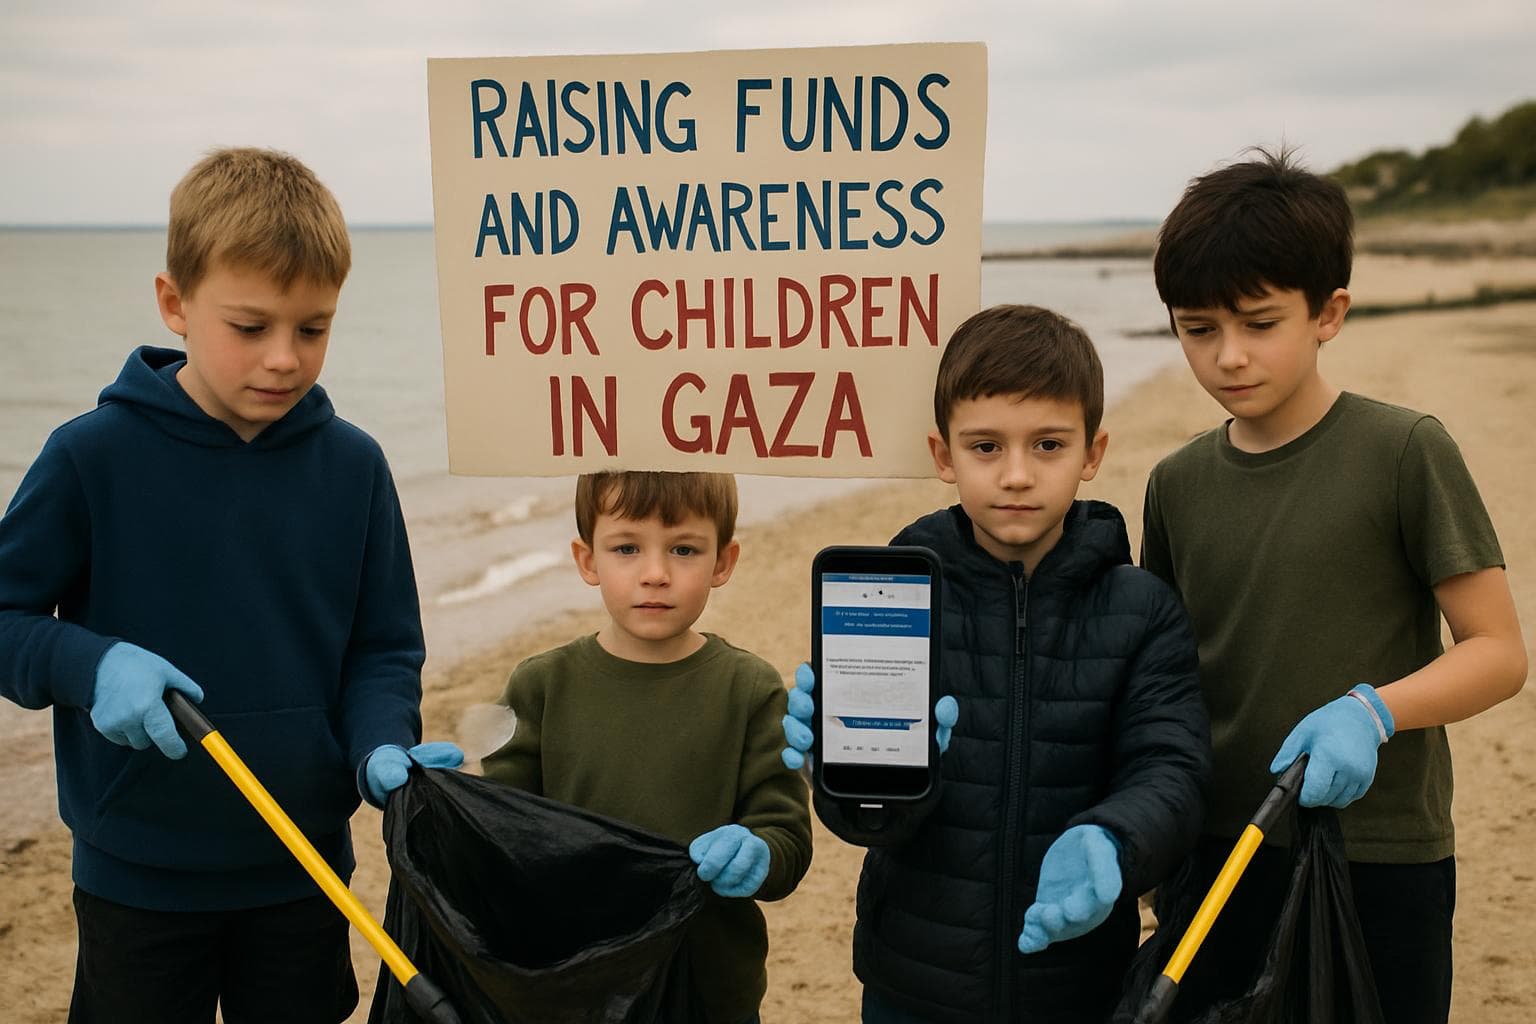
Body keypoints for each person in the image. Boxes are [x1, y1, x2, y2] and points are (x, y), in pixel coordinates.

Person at [0, 147, 462, 1024]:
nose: (285, 359)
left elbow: (383, 648)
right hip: (136, 874)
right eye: (250, 328)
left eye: (313, 328)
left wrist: (378, 747)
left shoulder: (355, 467)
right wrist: (89, 664)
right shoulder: (90, 457)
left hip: (304, 872)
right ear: (175, 302)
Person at [1141, 148, 1528, 1024]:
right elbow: (1162, 676)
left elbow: (1500, 653)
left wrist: (1374, 710)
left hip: (1380, 852)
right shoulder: (1175, 482)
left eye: (1258, 322)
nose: (1228, 357)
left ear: (1330, 313)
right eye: (1198, 330)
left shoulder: (1403, 450)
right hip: (1215, 848)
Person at [784, 304, 1211, 1023]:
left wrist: (1114, 838)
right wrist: (844, 773)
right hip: (913, 985)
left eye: (1048, 445)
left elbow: (1172, 768)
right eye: (986, 447)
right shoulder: (897, 605)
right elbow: (867, 825)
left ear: (1093, 452)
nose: (1016, 475)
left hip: (1077, 982)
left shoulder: (1142, 608)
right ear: (943, 454)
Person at [481, 469, 813, 1024]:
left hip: (708, 990)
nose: (655, 574)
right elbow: (502, 830)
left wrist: (758, 856)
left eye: (684, 549)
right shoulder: (540, 685)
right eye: (627, 548)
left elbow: (786, 840)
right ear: (588, 560)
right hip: (573, 983)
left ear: (723, 562)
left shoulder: (750, 689)